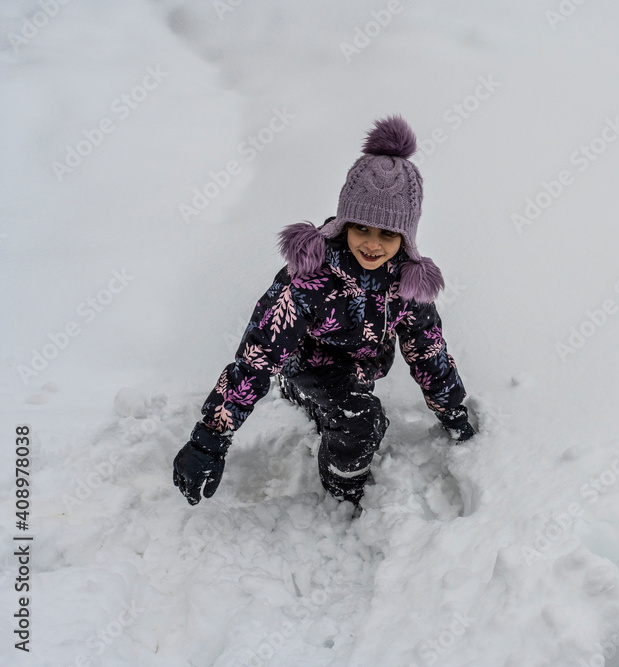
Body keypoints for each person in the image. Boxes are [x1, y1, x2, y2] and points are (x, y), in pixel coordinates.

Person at [172, 115, 475, 510]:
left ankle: (330, 418)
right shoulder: (310, 277)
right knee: (363, 420)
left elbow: (427, 351)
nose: (372, 244)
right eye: (362, 228)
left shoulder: (407, 284)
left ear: (406, 236)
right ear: (345, 222)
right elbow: (258, 356)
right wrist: (209, 439)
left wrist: (452, 410)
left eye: (387, 234)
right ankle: (342, 491)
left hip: (361, 370)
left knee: (361, 411)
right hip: (308, 365)